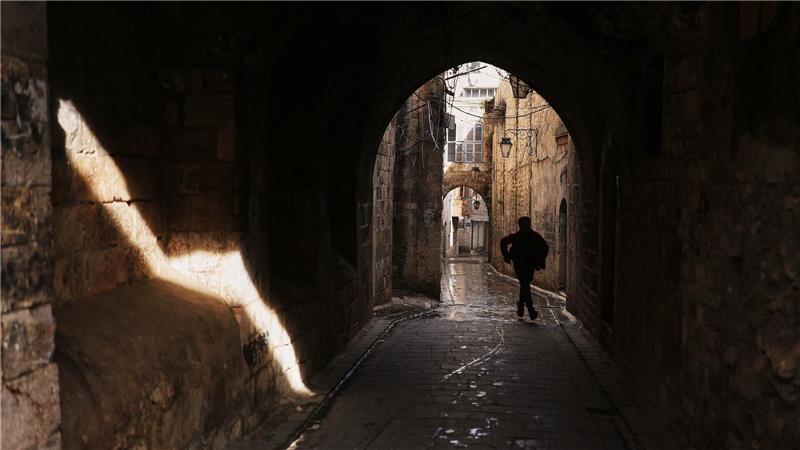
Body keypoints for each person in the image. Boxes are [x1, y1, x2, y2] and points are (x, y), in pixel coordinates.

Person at [500, 216, 549, 320]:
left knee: (524, 284)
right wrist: (507, 256)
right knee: (525, 283)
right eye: (524, 225)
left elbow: (544, 248)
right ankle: (530, 309)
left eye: (526, 225)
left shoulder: (534, 236)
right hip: (519, 264)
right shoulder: (518, 237)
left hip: (529, 264)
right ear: (520, 226)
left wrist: (540, 261)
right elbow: (503, 242)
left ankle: (521, 305)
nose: (525, 227)